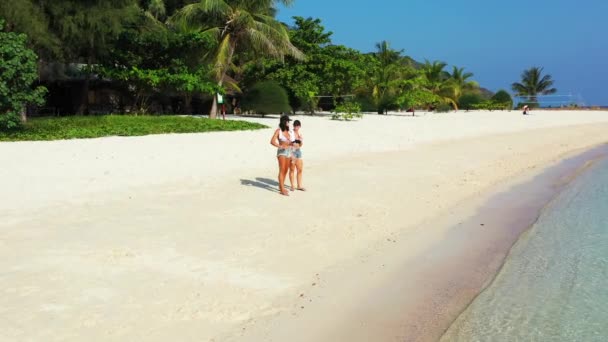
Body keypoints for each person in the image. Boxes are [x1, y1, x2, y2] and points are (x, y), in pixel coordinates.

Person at [270, 115, 294, 196]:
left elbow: (290, 142)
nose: (289, 123)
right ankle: (282, 189)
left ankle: (281, 187)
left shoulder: (289, 131)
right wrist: (280, 146)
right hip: (282, 152)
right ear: (284, 122)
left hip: (289, 152)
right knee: (282, 170)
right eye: (288, 121)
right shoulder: (278, 131)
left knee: (286, 170)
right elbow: (272, 141)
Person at [289, 120, 305, 191]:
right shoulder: (291, 133)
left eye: (297, 126)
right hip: (292, 151)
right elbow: (291, 143)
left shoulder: (300, 133)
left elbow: (300, 145)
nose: (296, 127)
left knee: (300, 169)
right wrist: (296, 141)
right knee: (292, 169)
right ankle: (292, 185)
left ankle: (299, 186)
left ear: (299, 126)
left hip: (298, 151)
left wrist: (300, 140)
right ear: (293, 126)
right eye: (295, 126)